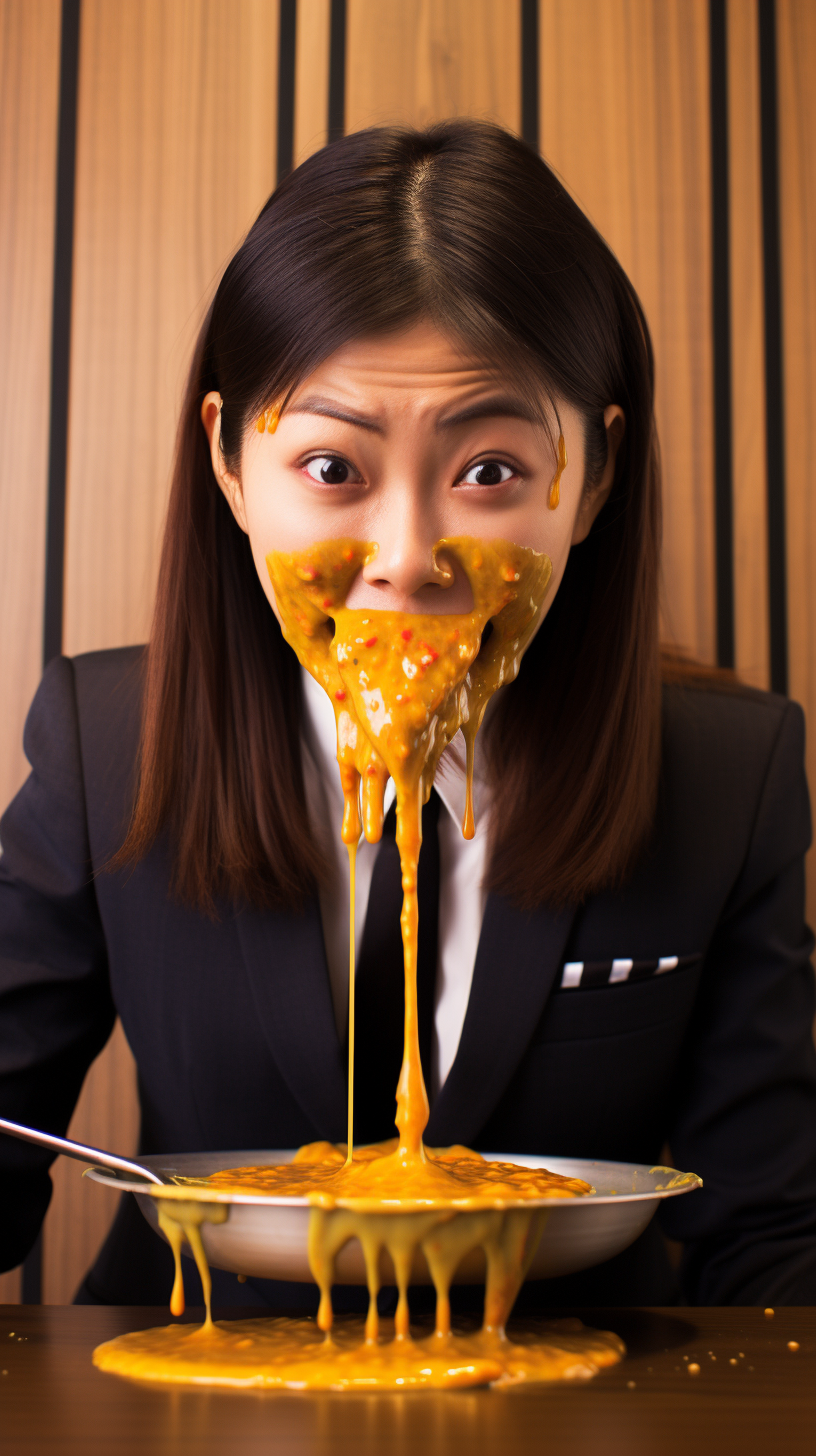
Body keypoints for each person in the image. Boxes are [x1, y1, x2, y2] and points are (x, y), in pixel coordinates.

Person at [1, 121, 815, 1312]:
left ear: (591, 475)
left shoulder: (729, 774)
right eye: (334, 468)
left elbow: (777, 1236)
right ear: (230, 463)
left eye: (489, 470)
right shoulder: (101, 742)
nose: (405, 559)